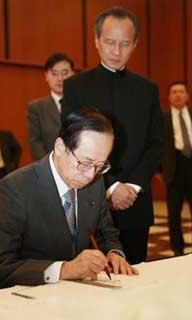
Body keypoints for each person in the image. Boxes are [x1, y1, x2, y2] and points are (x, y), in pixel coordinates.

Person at [0, 108, 138, 292]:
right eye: (85, 163)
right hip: (21, 297)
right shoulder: (16, 188)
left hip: (74, 294)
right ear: (60, 147)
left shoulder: (95, 182)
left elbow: (106, 233)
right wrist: (64, 269)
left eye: (100, 165)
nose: (90, 175)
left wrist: (114, 253)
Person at [62, 7, 163, 264]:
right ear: (96, 41)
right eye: (109, 42)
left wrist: (132, 186)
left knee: (135, 278)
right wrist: (112, 186)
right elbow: (71, 143)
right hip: (91, 198)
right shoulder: (75, 86)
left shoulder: (148, 89)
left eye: (125, 44)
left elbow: (156, 144)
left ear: (135, 44)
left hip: (135, 203)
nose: (117, 51)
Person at [162, 82, 192, 256]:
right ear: (169, 97)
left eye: (181, 91)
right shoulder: (162, 118)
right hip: (174, 171)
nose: (178, 95)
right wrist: (161, 171)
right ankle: (178, 251)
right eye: (174, 92)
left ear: (187, 95)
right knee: (174, 215)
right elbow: (157, 147)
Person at [27, 53, 74, 161]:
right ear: (46, 76)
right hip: (49, 166)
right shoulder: (36, 108)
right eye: (54, 73)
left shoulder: (83, 104)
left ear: (73, 74)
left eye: (65, 73)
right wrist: (51, 166)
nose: (60, 78)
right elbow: (35, 143)